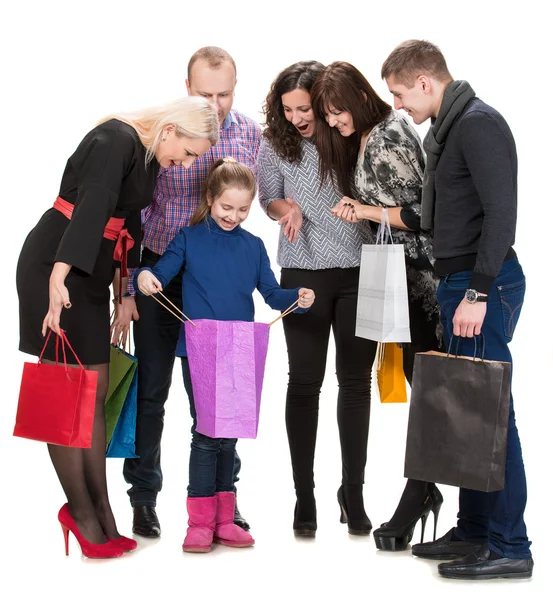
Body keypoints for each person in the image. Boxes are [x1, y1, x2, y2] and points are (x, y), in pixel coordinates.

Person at [16, 96, 219, 558]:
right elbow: (93, 207)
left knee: (95, 395)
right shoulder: (115, 139)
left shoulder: (146, 156)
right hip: (59, 263)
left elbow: (129, 227)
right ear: (170, 130)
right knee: (68, 395)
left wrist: (124, 294)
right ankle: (83, 515)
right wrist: (58, 275)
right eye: (187, 153)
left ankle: (101, 512)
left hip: (90, 273)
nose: (183, 164)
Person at [380, 39, 533, 579]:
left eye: (400, 94)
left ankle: (511, 545)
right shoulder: (449, 131)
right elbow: (438, 215)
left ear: (425, 82)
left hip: (479, 283)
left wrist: (478, 292)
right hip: (457, 280)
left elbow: (501, 215)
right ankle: (473, 531)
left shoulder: (477, 124)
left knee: (490, 414)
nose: (399, 106)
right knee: (469, 413)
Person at [135, 158, 315, 552]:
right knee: (206, 432)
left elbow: (271, 294)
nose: (233, 216)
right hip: (200, 346)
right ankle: (199, 521)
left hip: (239, 346)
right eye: (225, 207)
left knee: (229, 434)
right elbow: (160, 272)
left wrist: (297, 297)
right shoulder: (188, 237)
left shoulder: (252, 247)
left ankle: (224, 516)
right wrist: (145, 277)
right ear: (210, 199)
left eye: (243, 209)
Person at [120, 47, 261, 538]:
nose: (217, 104)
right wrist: (129, 287)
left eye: (225, 94)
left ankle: (224, 499)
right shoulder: (167, 131)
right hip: (161, 275)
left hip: (217, 282)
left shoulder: (248, 134)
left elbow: (242, 207)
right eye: (206, 94)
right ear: (187, 87)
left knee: (221, 399)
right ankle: (143, 498)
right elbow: (134, 214)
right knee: (153, 392)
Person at [310, 61, 443, 551]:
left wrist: (363, 209)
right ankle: (424, 490)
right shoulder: (366, 136)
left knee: (427, 391)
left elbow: (428, 213)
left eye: (337, 111)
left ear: (359, 100)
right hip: (397, 279)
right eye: (327, 114)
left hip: (422, 280)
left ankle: (419, 494)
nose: (333, 121)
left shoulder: (389, 134)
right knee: (417, 385)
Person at [258, 61, 376, 538]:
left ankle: (353, 491)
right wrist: (289, 209)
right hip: (303, 271)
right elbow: (268, 198)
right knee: (304, 382)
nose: (296, 118)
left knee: (355, 382)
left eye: (303, 107)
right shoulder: (275, 143)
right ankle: (304, 494)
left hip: (359, 270)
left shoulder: (349, 134)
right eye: (287, 109)